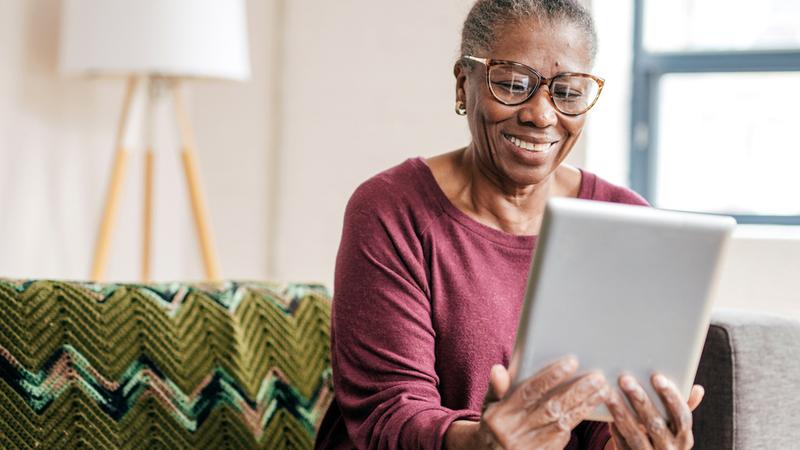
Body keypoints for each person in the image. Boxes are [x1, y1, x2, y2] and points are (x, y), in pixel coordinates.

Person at [315, 1, 704, 449]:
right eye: (514, 84)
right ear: (464, 84)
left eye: (569, 92)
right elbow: (389, 414)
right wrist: (480, 442)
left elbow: (602, 421)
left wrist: (634, 441)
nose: (541, 115)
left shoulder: (624, 219)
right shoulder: (392, 210)